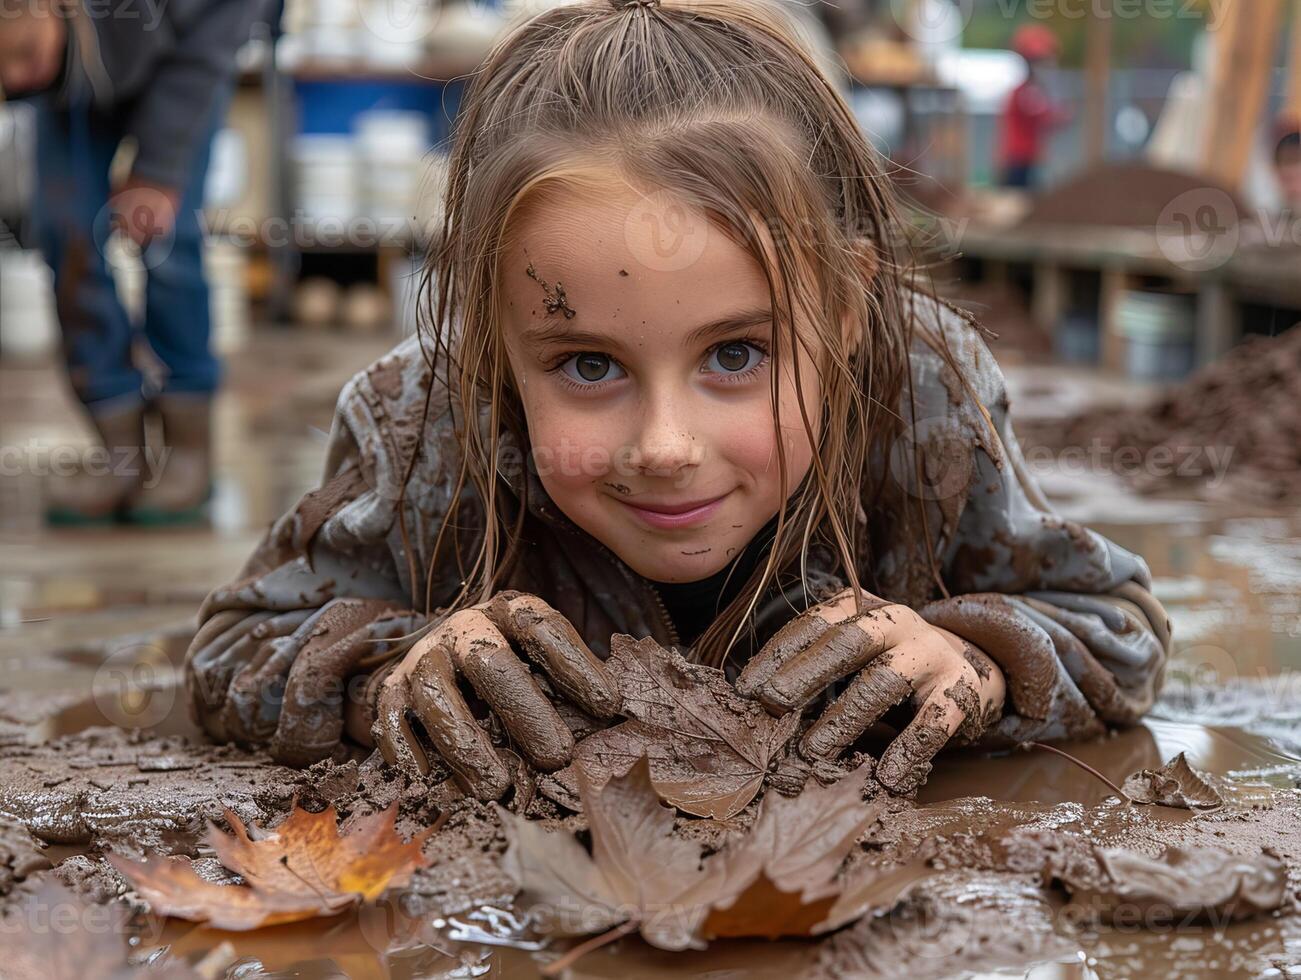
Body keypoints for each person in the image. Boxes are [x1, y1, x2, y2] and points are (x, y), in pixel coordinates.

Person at [185, 0, 1170, 800]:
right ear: (492, 336)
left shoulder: (921, 401)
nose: (664, 445)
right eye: (586, 365)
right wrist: (392, 671)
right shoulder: (422, 422)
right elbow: (231, 649)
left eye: (734, 352)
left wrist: (974, 657)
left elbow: (1114, 628)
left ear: (849, 303)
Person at [0, 0, 261, 524]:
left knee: (168, 240)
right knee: (62, 229)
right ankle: (118, 448)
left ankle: (189, 451)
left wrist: (160, 168)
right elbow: (23, 62)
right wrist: (34, 56)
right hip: (83, 63)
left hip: (188, 56)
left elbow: (222, 19)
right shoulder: (35, 56)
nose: (14, 79)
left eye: (24, 54)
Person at [996, 23, 1071, 189]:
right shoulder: (1026, 92)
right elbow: (1047, 117)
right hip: (1018, 162)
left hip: (1028, 160)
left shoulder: (1034, 91)